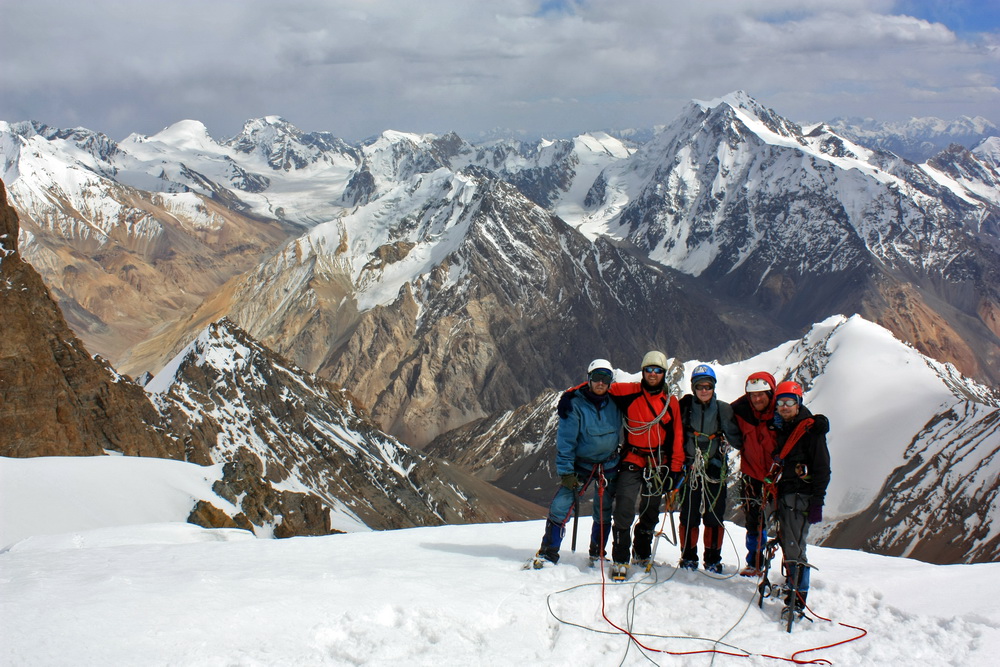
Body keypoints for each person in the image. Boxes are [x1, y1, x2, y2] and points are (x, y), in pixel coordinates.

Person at [532, 359, 624, 568]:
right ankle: (548, 552)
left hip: (608, 465)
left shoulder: (617, 401)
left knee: (604, 510)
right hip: (582, 466)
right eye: (596, 378)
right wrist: (566, 472)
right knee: (561, 506)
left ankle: (597, 552)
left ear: (611, 381)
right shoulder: (574, 405)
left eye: (605, 379)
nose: (601, 383)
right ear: (589, 379)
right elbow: (566, 441)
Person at [605, 351, 684, 580]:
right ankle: (620, 558)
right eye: (649, 369)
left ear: (663, 374)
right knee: (625, 506)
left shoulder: (671, 404)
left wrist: (675, 469)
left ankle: (641, 552)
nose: (652, 374)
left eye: (657, 370)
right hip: (633, 458)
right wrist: (572, 394)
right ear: (642, 371)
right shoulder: (628, 391)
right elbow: (599, 387)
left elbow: (676, 436)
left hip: (657, 463)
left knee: (650, 510)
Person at [766, 380, 831, 622]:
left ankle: (798, 598)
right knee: (787, 542)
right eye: (781, 402)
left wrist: (817, 502)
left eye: (789, 402)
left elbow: (823, 468)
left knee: (795, 548)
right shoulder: (782, 426)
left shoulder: (811, 430)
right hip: (784, 494)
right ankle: (793, 589)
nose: (784, 407)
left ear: (798, 403)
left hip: (800, 498)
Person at [677, 364, 742, 573]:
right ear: (693, 388)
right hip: (690, 467)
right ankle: (688, 556)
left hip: (714, 465)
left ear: (713, 387)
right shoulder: (685, 408)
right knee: (688, 513)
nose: (704, 390)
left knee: (714, 515)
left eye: (707, 386)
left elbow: (737, 437)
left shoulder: (723, 410)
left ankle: (712, 558)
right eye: (699, 386)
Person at [730, 372, 777, 576]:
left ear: (770, 392)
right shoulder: (740, 411)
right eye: (753, 395)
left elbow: (801, 420)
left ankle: (791, 567)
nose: (757, 399)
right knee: (754, 520)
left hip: (778, 475)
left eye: (761, 394)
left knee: (786, 521)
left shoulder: (781, 410)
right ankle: (755, 562)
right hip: (752, 474)